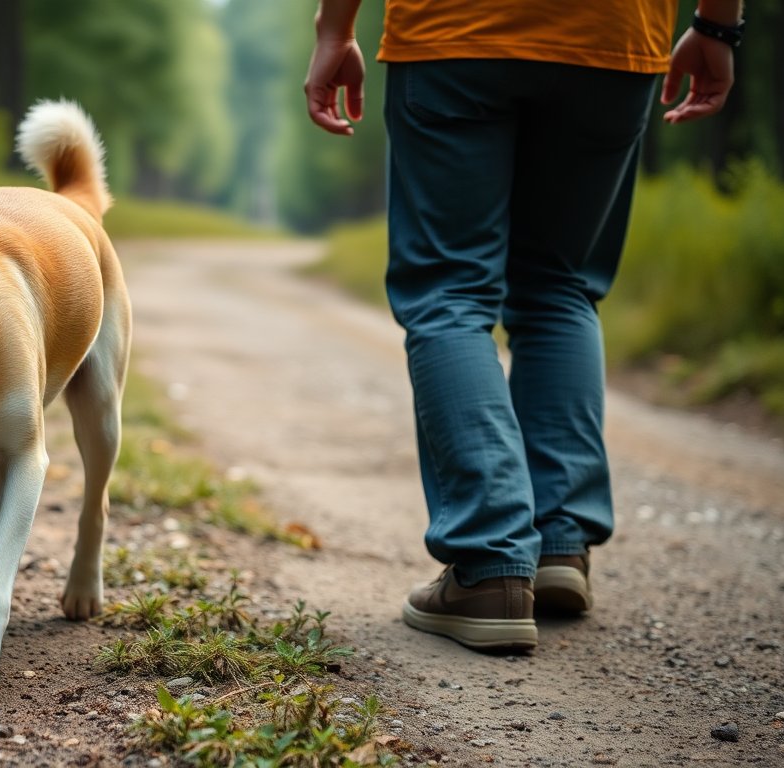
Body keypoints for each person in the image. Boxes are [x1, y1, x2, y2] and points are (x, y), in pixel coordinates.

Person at [304, 0, 740, 651]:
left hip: (456, 32)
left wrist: (335, 28)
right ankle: (558, 542)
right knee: (558, 284)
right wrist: (715, 25)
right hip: (614, 34)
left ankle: (490, 565)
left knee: (449, 289)